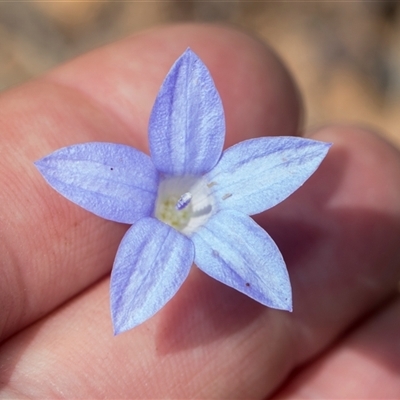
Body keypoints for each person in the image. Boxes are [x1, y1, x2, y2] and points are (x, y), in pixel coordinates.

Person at [0, 24, 399, 399]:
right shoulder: (131, 194)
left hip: (205, 223)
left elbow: (284, 166)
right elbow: (85, 176)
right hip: (169, 223)